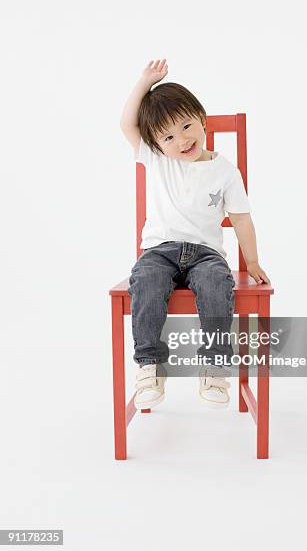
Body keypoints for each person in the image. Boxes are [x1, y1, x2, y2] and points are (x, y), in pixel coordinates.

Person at [120, 58, 270, 410]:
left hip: (206, 253)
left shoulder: (225, 171)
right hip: (160, 250)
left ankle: (215, 364)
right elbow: (127, 123)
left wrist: (253, 261)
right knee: (146, 282)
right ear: (156, 143)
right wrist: (145, 82)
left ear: (201, 119)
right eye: (168, 137)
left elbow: (242, 220)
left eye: (187, 126)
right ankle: (149, 365)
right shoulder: (158, 159)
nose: (181, 140)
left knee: (218, 284)